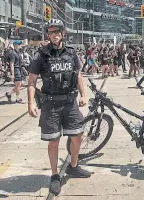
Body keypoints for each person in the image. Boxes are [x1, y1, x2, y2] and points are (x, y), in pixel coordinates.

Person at [26, 19, 91, 196]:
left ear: (63, 33)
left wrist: (83, 95)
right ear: (48, 34)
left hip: (70, 103)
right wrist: (31, 102)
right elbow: (31, 81)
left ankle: (73, 166)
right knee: (53, 141)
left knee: (77, 135)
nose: (54, 34)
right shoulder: (41, 54)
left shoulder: (71, 53)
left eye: (57, 31)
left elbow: (78, 75)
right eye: (51, 32)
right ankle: (55, 175)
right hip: (51, 104)